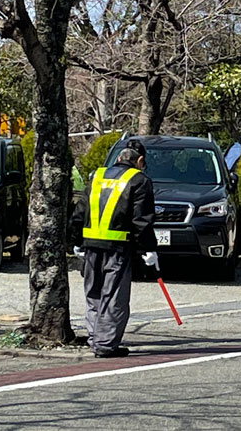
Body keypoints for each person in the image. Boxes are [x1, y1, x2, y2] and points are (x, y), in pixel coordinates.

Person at [71, 139, 159, 358]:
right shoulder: (140, 180)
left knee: (94, 294)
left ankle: (95, 337)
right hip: (118, 249)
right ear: (139, 160)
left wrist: (75, 240)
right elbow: (142, 221)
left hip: (90, 247)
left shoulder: (97, 176)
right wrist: (149, 249)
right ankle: (105, 344)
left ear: (119, 157)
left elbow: (80, 210)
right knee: (114, 298)